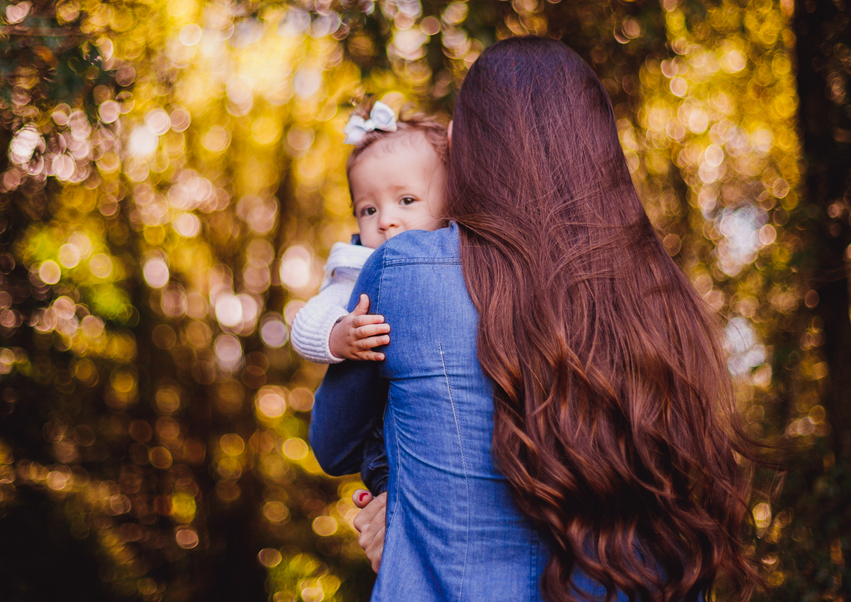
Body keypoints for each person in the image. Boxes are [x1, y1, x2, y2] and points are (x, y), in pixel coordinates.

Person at [310, 37, 761, 602]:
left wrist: (402, 516)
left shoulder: (403, 270)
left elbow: (333, 444)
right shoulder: (661, 298)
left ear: (459, 148)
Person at [290, 101, 449, 496]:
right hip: (385, 442)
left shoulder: (461, 256)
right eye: (369, 208)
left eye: (407, 200)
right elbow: (306, 321)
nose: (385, 220)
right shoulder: (357, 265)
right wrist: (339, 335)